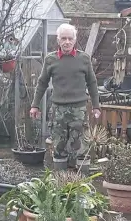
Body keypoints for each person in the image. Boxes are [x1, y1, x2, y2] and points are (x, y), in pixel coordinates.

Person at [30, 23, 101, 166]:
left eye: (70, 38)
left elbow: (92, 83)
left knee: (81, 148)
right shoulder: (50, 60)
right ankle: (59, 184)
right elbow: (42, 82)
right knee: (58, 148)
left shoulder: (84, 59)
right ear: (58, 40)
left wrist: (96, 106)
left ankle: (82, 184)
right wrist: (35, 105)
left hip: (79, 111)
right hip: (58, 111)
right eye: (63, 38)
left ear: (75, 40)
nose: (67, 42)